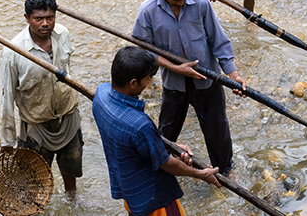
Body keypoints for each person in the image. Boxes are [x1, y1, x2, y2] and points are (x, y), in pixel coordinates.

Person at [131, 0, 246, 176]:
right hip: (174, 83)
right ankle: (161, 169)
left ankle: (225, 173)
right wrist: (175, 67)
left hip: (207, 78)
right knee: (166, 132)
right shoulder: (148, 9)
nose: (181, 3)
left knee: (218, 130)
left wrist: (233, 74)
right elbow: (142, 50)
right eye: (175, 0)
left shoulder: (201, 2)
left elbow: (218, 40)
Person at [93, 46, 221, 216]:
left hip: (130, 189)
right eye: (147, 79)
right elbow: (166, 163)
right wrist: (200, 174)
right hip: (153, 197)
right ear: (133, 83)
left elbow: (135, 142)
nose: (149, 84)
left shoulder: (101, 93)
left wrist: (166, 145)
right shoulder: (140, 125)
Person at [0, 0, 83, 197]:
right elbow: (6, 97)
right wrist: (7, 141)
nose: (45, 23)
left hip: (67, 116)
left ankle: (71, 200)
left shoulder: (62, 34)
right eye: (38, 19)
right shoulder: (13, 51)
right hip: (36, 124)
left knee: (70, 169)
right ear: (27, 18)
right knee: (32, 180)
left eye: (50, 18)